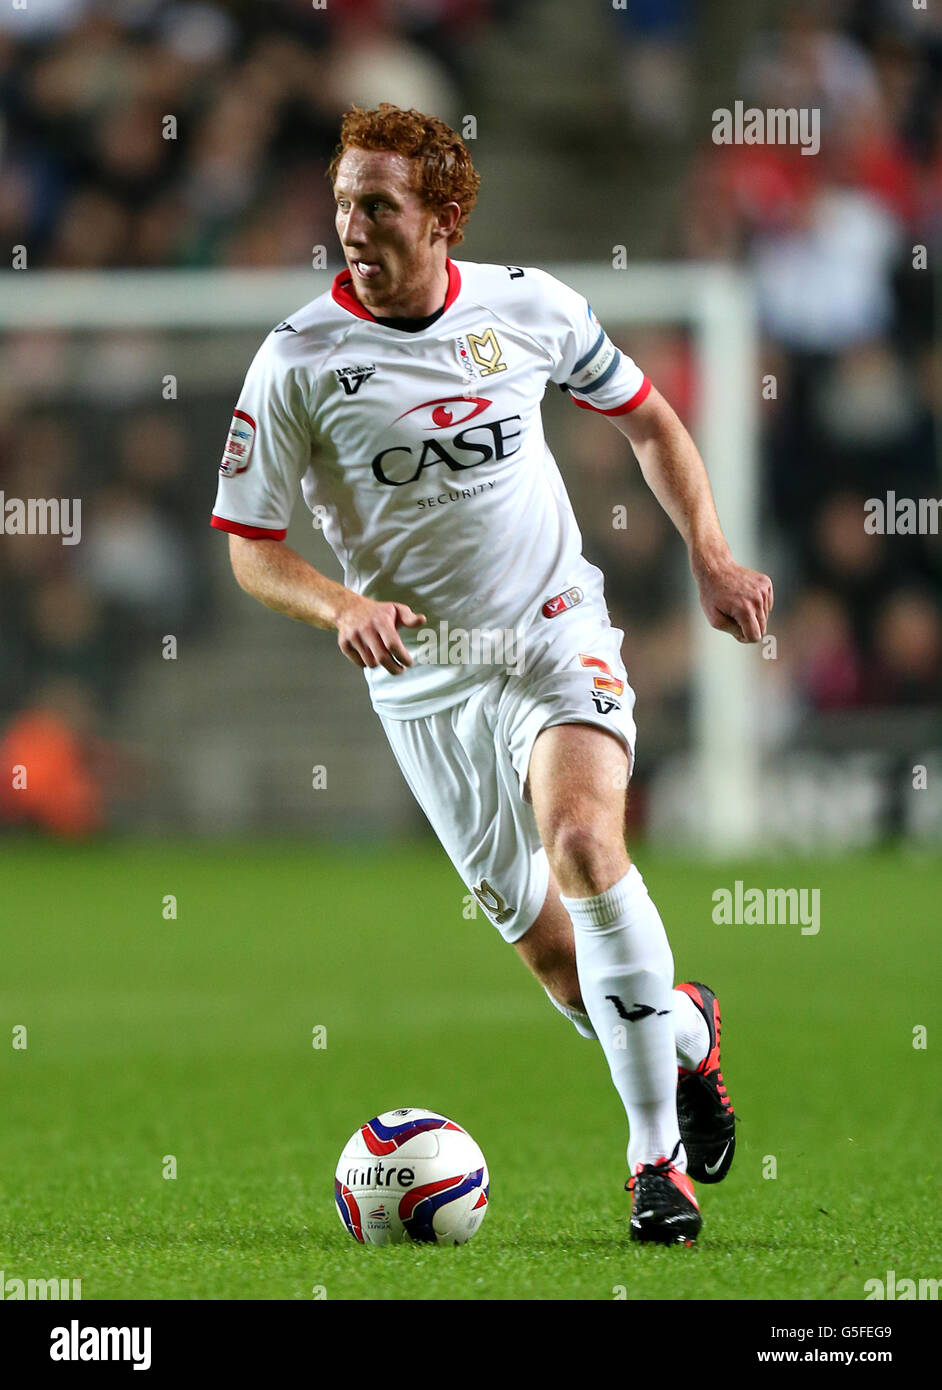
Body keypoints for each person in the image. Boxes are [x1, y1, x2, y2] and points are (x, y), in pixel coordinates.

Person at [211, 104, 773, 1245]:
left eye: (377, 204)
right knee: (566, 971)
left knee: (583, 845)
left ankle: (653, 1161)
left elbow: (653, 423)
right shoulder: (298, 361)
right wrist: (343, 605)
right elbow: (249, 547)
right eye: (340, 201)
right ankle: (685, 1028)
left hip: (549, 628)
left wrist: (712, 552)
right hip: (424, 685)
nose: (351, 226)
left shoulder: (531, 307)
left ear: (445, 216)